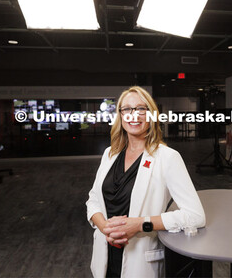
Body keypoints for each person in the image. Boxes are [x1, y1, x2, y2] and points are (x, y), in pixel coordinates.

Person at [86, 86, 205, 278]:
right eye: (127, 109)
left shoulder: (167, 157)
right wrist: (105, 227)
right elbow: (93, 199)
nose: (134, 115)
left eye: (141, 109)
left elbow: (195, 216)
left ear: (151, 115)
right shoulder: (110, 154)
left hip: (140, 263)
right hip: (104, 258)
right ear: (120, 115)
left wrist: (141, 224)